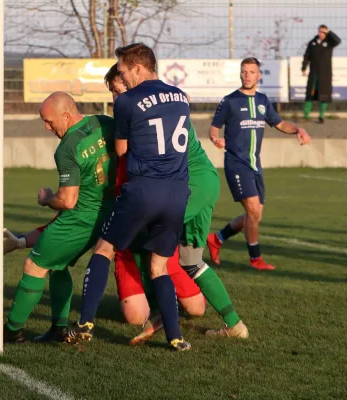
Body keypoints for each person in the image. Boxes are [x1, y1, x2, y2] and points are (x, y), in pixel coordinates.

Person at [104, 64, 248, 340]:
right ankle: (234, 324)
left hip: (187, 183)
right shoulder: (161, 104)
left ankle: (158, 312)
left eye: (117, 87)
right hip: (203, 179)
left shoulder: (137, 110)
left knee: (143, 237)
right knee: (189, 258)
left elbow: (126, 154)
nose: (115, 98)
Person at [66, 43, 192, 352]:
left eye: (122, 70)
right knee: (159, 266)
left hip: (143, 188)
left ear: (137, 67)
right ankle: (175, 338)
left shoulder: (127, 101)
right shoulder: (181, 97)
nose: (121, 75)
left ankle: (84, 323)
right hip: (178, 191)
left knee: (104, 249)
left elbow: (121, 151)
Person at [3, 91, 118, 343]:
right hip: (111, 210)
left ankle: (12, 330)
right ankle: (59, 328)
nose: (46, 127)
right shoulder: (103, 122)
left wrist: (46, 198)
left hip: (80, 218)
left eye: (49, 121)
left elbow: (67, 201)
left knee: (35, 265)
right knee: (58, 266)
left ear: (66, 115)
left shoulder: (67, 148)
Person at [207, 57, 311, 272]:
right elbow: (214, 127)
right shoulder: (230, 101)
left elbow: (280, 123)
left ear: (258, 75)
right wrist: (216, 139)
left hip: (255, 164)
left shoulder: (263, 100)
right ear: (240, 74)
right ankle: (255, 259)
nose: (247, 76)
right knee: (253, 211)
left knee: (255, 215)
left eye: (251, 72)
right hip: (236, 163)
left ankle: (217, 238)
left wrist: (298, 130)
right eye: (244, 72)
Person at [301, 25, 341, 123]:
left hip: (325, 74)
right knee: (310, 93)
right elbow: (307, 56)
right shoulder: (313, 43)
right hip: (314, 73)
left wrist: (329, 32)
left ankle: (321, 116)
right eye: (320, 32)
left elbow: (338, 41)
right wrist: (304, 67)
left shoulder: (330, 42)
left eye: (323, 32)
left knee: (324, 95)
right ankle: (306, 115)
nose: (321, 34)